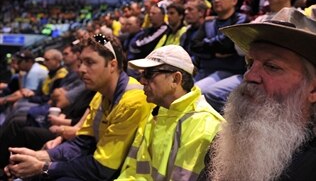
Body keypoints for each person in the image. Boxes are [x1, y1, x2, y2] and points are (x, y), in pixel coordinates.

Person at [4, 34, 153, 181]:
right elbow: (81, 142)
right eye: (81, 62)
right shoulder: (100, 94)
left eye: (90, 62)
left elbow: (103, 169)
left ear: (112, 65)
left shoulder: (133, 101)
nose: (81, 69)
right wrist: (38, 156)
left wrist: (43, 167)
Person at [198, 7, 316, 180]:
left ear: (313, 90)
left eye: (272, 67)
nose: (249, 75)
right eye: (250, 63)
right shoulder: (227, 141)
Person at [116, 45, 224, 180]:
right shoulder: (157, 112)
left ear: (175, 79)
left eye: (149, 74)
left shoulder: (205, 127)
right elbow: (134, 171)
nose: (142, 80)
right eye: (142, 74)